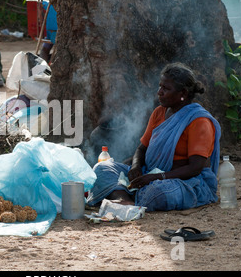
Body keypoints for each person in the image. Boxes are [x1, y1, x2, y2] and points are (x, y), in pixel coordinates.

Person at [86, 63, 221, 211]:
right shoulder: (159, 112)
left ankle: (124, 195)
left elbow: (195, 168)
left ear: (183, 93)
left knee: (159, 192)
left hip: (185, 182)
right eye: (160, 86)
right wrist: (136, 166)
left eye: (166, 89)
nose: (159, 92)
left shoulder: (198, 121)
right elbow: (141, 149)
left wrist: (157, 177)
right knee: (102, 168)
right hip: (149, 174)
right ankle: (126, 200)